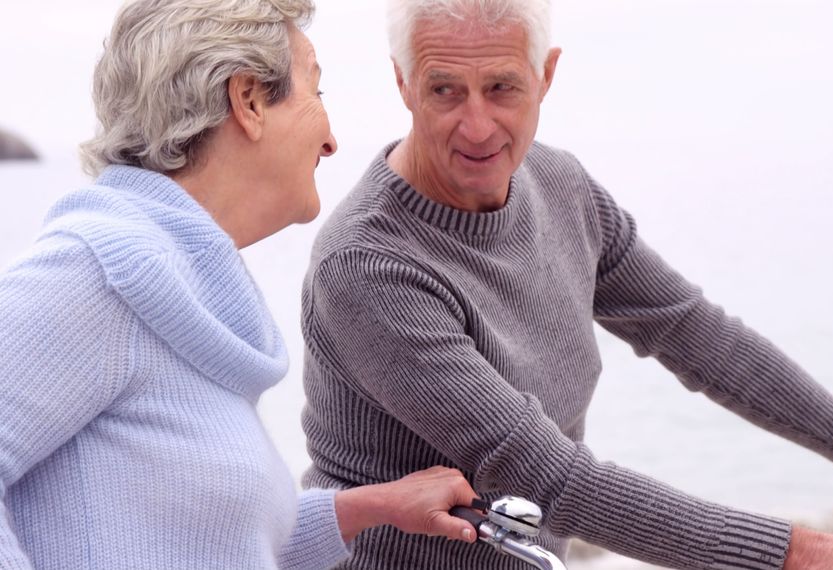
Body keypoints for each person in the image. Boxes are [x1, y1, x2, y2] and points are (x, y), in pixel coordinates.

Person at [300, 0, 833, 568]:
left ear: (546, 75)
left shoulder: (559, 185)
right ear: (402, 83)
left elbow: (696, 336)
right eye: (444, 89)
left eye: (502, 87)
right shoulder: (369, 266)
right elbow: (551, 478)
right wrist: (809, 556)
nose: (476, 125)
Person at [0, 1, 481, 568]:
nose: (331, 142)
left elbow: (213, 543)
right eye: (316, 93)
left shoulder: (178, 289)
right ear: (249, 100)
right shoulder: (97, 273)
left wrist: (372, 506)